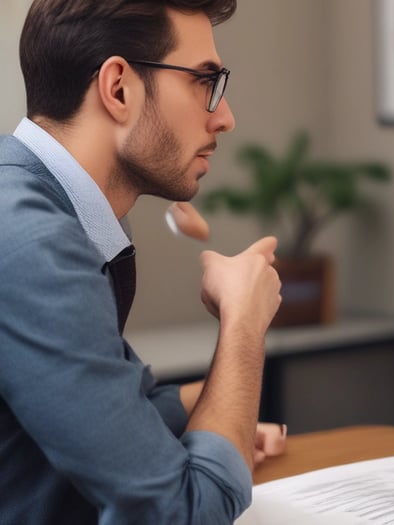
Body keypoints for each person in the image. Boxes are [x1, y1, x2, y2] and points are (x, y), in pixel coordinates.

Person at [0, 0, 284, 523]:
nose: (224, 116)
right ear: (119, 89)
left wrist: (220, 411)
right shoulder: (34, 244)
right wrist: (243, 321)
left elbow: (97, 407)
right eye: (204, 81)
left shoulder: (51, 207)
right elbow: (182, 513)